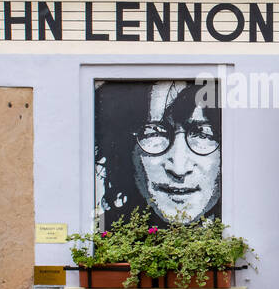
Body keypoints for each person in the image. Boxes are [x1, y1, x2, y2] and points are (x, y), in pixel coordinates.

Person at [95, 80, 222, 229]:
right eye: (154, 133)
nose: (179, 169)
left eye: (203, 134)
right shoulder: (102, 236)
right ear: (127, 149)